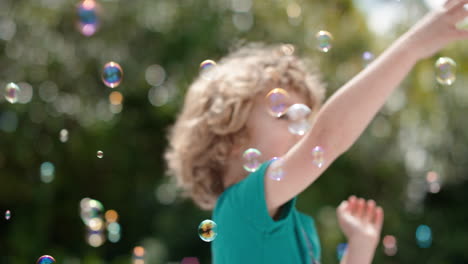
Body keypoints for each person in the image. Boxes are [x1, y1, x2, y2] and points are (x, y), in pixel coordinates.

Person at [165, 0, 468, 263]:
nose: (303, 133)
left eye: (305, 121)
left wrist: (359, 248)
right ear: (228, 137)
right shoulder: (239, 208)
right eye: (284, 116)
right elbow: (326, 138)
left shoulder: (296, 227)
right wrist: (413, 46)